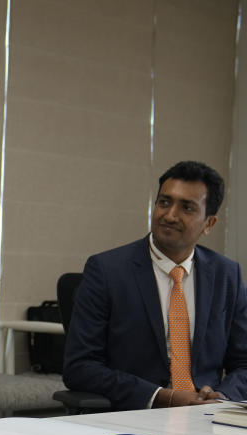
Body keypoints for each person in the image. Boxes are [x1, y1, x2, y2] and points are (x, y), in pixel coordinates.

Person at [63, 160, 247, 409]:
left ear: (209, 224)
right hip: (136, 414)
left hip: (206, 420)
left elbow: (243, 363)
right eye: (164, 202)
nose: (170, 215)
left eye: (187, 208)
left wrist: (221, 397)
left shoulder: (227, 274)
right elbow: (80, 367)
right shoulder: (107, 271)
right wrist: (164, 396)